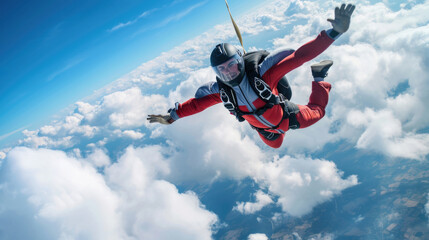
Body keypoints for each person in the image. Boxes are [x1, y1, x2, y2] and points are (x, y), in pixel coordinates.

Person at [148, 3, 355, 148]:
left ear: (239, 61)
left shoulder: (263, 76)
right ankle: (271, 130)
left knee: (317, 112)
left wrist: (334, 33)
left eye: (231, 65)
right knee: (276, 144)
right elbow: (197, 104)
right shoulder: (223, 91)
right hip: (266, 130)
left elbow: (299, 56)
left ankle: (319, 77)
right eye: (222, 70)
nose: (228, 72)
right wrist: (172, 116)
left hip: (287, 117)